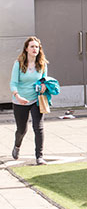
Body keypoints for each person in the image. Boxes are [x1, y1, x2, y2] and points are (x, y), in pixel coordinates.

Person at [9, 36, 49, 165]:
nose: (34, 49)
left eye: (37, 47)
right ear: (26, 48)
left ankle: (39, 156)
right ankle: (17, 146)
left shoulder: (42, 63)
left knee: (38, 128)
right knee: (22, 129)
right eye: (32, 46)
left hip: (36, 99)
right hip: (20, 100)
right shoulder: (18, 64)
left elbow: (44, 79)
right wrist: (18, 96)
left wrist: (44, 86)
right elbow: (13, 83)